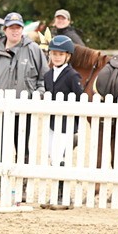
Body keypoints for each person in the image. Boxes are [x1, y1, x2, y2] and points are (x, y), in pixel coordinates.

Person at [0, 12, 47, 197]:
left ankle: (22, 187)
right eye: (11, 27)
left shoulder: (33, 49)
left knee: (23, 148)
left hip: (23, 109)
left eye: (18, 27)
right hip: (0, 109)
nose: (15, 31)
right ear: (5, 30)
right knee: (1, 148)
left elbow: (44, 77)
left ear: (22, 29)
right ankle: (1, 185)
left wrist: (37, 94)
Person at [43, 35, 83, 204]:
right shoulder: (47, 75)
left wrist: (76, 125)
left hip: (66, 124)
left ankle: (63, 195)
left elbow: (80, 99)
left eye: (60, 54)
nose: (57, 57)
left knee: (60, 158)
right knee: (52, 157)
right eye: (54, 53)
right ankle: (58, 193)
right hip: (52, 123)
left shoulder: (73, 75)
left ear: (68, 56)